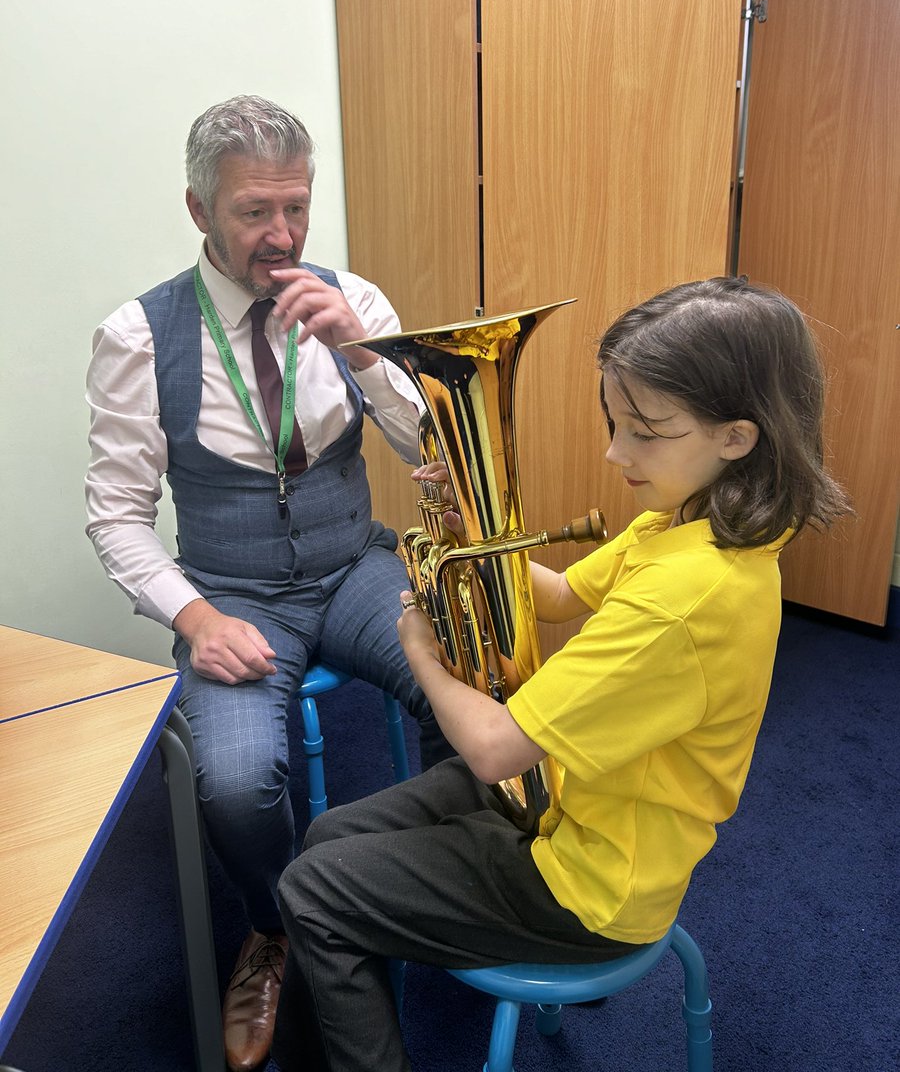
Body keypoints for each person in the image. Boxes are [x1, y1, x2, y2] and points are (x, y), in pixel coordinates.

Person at [269, 276, 851, 1072]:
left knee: (312, 892)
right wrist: (467, 524)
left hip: (589, 886)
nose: (616, 452)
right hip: (571, 803)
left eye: (645, 430)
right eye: (616, 422)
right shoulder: (687, 523)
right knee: (328, 836)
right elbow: (555, 597)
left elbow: (497, 748)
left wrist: (419, 651)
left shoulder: (688, 597)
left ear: (737, 437)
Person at [84, 95, 452, 1072]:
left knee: (468, 686)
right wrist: (195, 618)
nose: (282, 234)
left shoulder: (354, 300)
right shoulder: (137, 335)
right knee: (238, 785)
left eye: (297, 206)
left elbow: (441, 454)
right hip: (233, 593)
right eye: (255, 211)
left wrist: (363, 355)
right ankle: (278, 924)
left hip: (351, 565)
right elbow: (115, 514)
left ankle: (437, 873)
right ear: (200, 209)